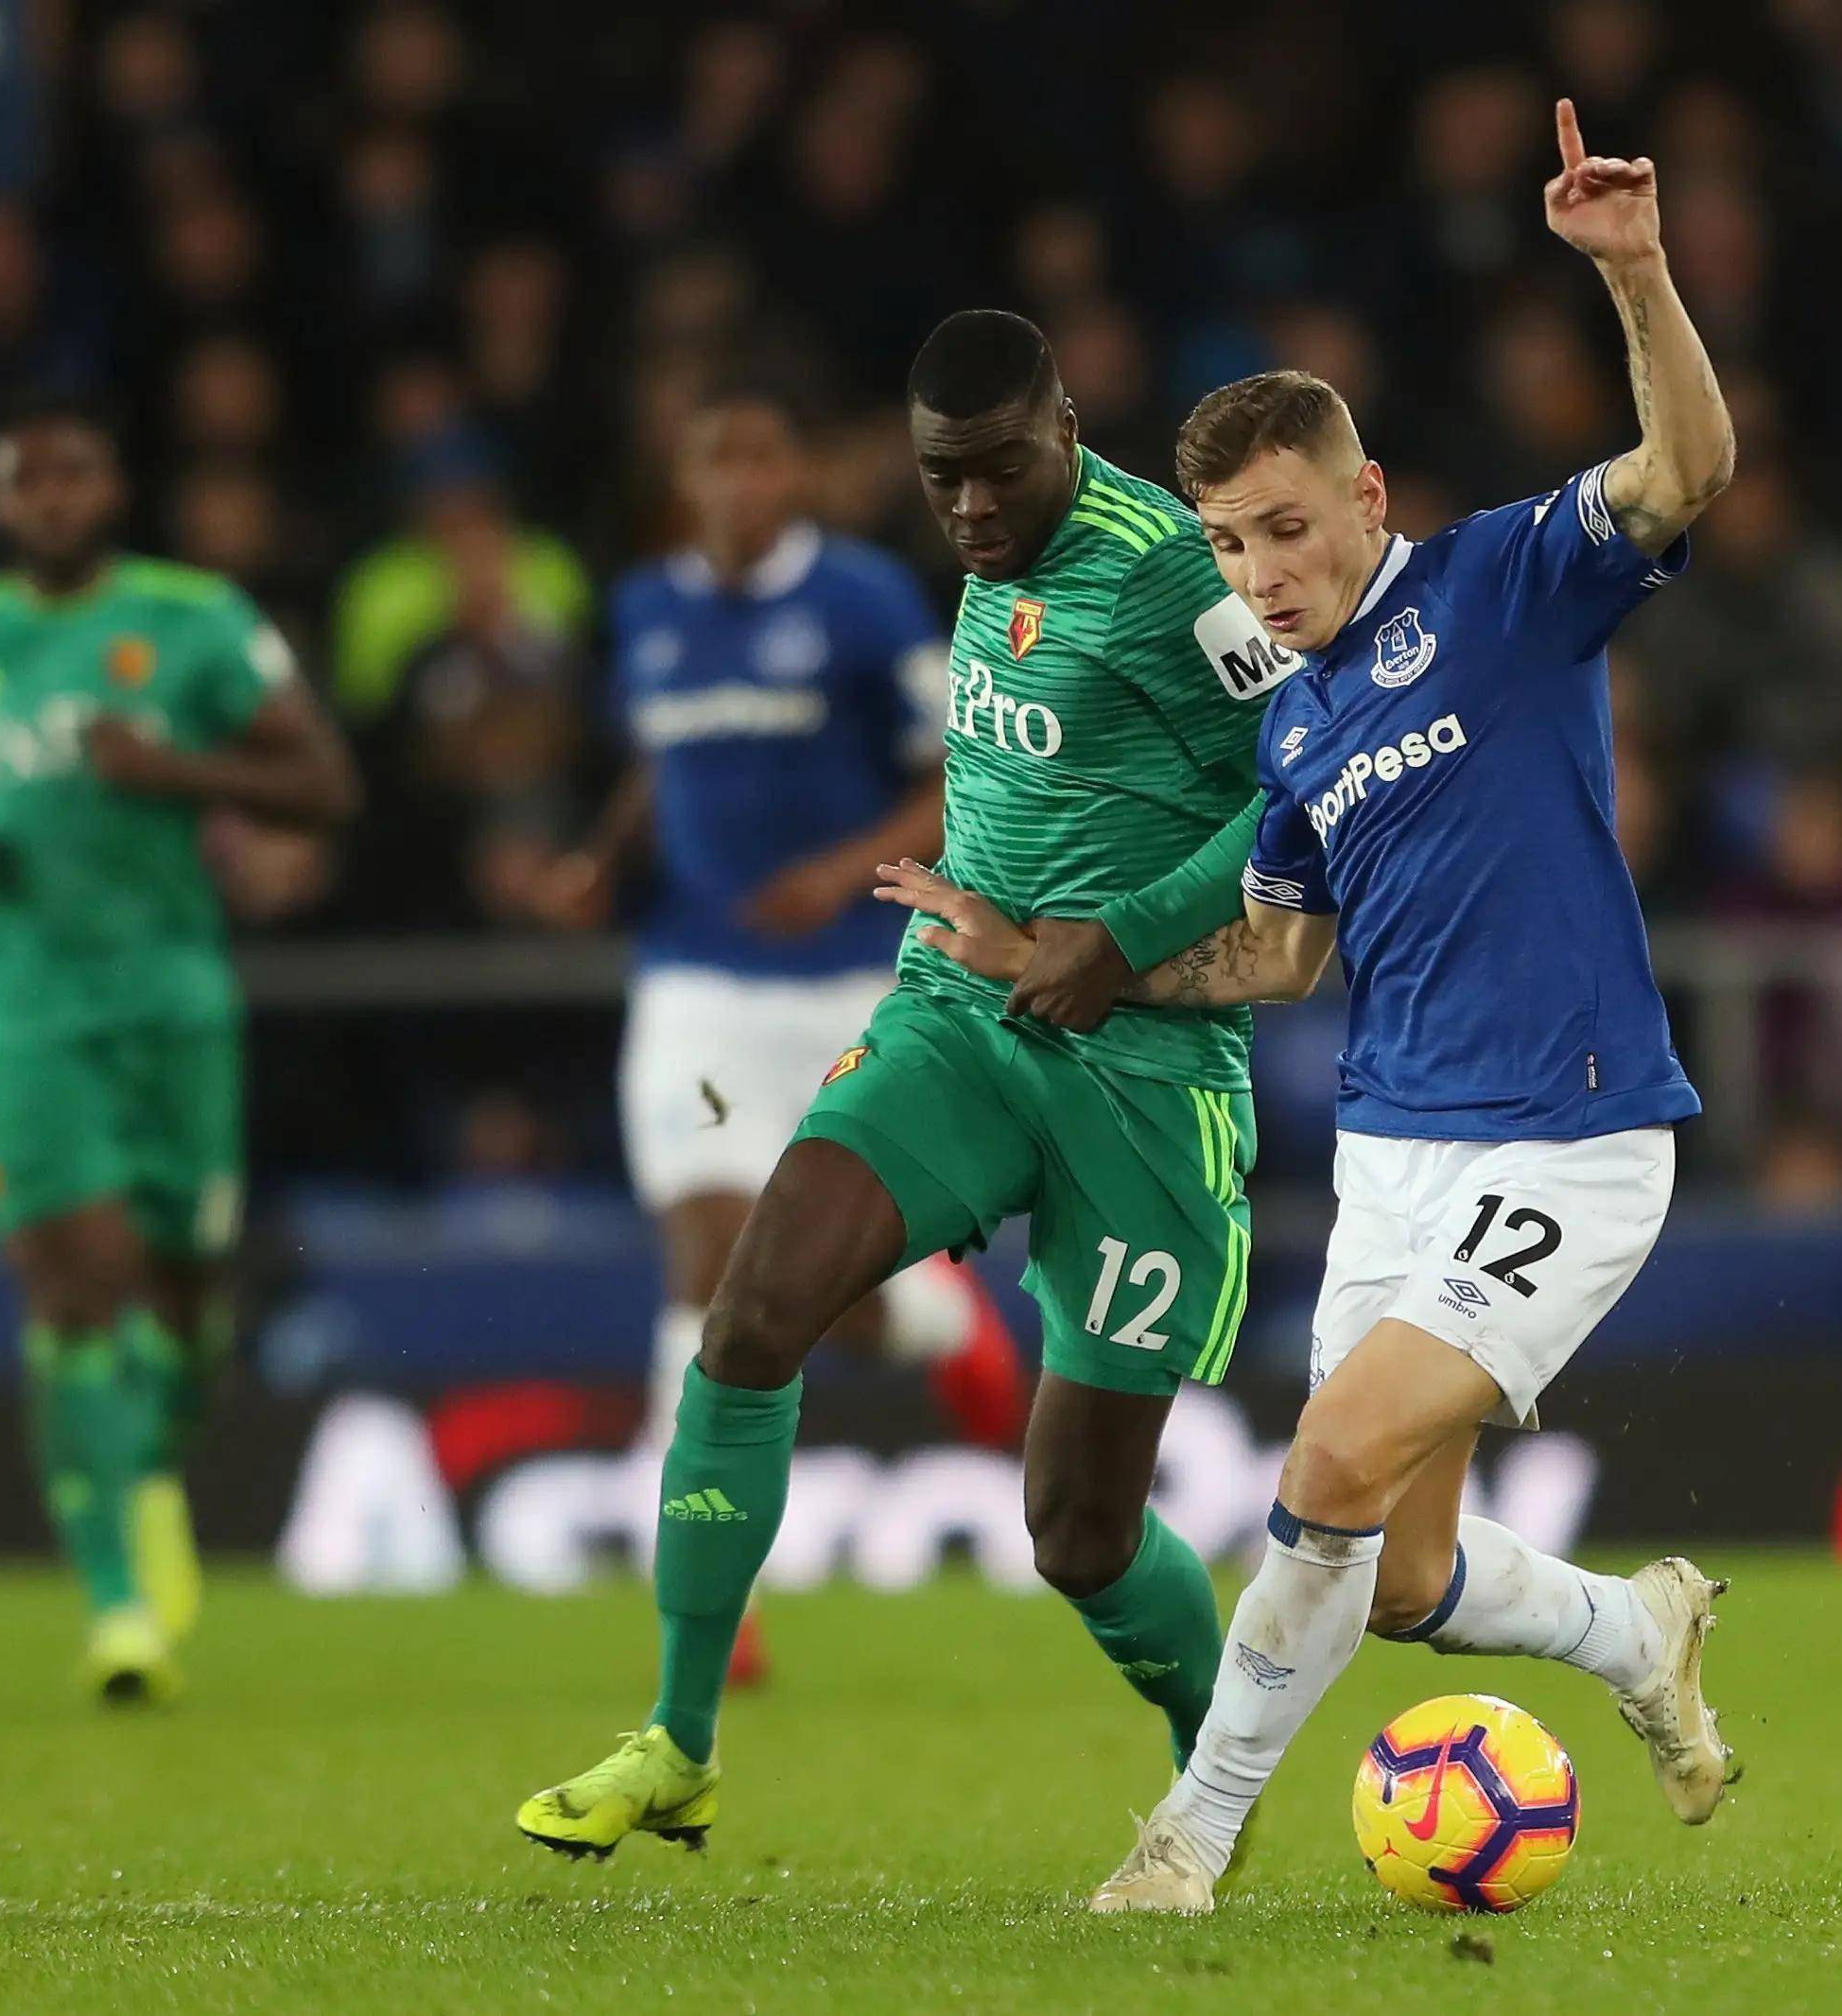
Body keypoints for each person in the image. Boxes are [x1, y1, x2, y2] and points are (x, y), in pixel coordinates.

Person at [884, 103, 1740, 1913]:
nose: (1261, 574)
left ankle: (1184, 1843)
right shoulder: (1289, 730)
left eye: (1286, 528)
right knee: (1408, 1572)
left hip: (1573, 1131)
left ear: (1366, 497)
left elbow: (1684, 473)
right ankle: (1630, 1631)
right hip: (1397, 1151)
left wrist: (1639, 273)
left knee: (1329, 1460)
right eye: (1225, 545)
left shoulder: (1508, 583)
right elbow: (1275, 959)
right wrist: (1051, 947)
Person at [513, 310, 1295, 1858]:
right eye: (946, 482)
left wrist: (1119, 935)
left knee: (1076, 1533)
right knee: (746, 1314)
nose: (975, 510)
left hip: (1141, 1059)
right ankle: (677, 1737)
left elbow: (1302, 772)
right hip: (959, 1013)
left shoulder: (1168, 572)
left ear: (1067, 427)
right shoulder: (973, 552)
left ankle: (1219, 1768)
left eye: (1002, 472)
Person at [543, 374, 1029, 1682]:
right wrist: (601, 857)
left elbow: (959, 776)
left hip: (852, 978)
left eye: (766, 458)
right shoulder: (645, 610)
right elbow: (664, 758)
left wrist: (839, 873)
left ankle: (938, 1323)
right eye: (720, 461)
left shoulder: (865, 602)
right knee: (707, 1267)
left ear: (798, 474)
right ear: (687, 478)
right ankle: (714, 1589)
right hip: (695, 981)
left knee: (805, 1286)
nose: (742, 485)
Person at [0, 394, 358, 1703]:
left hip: (170, 997)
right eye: (22, 479)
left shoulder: (191, 622)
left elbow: (324, 786)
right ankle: (116, 1609)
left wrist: (185, 778)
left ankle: (149, 1464)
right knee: (79, 1282)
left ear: (112, 488)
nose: (50, 497)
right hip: (17, 1000)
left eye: (72, 473)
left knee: (189, 1290)